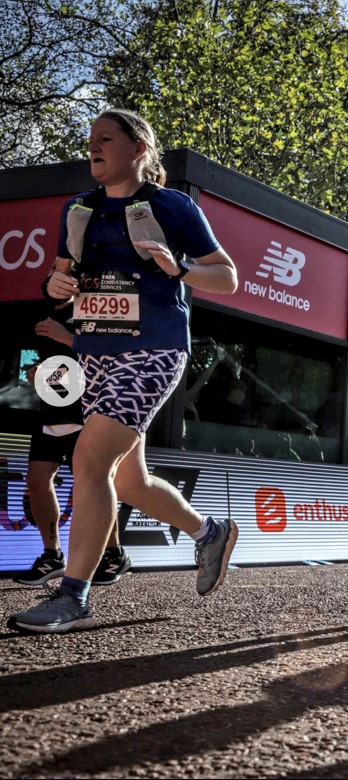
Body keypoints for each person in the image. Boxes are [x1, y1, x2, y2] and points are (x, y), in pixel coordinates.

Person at [10, 109, 239, 633]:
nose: (93, 147)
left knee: (89, 461)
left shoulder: (171, 206)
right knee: (129, 482)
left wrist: (179, 269)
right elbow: (58, 277)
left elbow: (227, 277)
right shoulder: (77, 211)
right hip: (94, 355)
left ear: (138, 149)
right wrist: (57, 288)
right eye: (90, 140)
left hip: (153, 352)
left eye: (105, 139)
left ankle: (73, 595)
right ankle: (210, 533)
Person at [13, 309, 129, 587]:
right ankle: (52, 555)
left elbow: (110, 354)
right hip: (52, 410)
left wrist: (67, 337)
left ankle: (113, 553)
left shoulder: (99, 305)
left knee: (95, 483)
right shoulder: (46, 314)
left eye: (63, 270)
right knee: (37, 481)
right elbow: (53, 362)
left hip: (90, 411)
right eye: (53, 273)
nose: (57, 276)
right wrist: (36, 371)